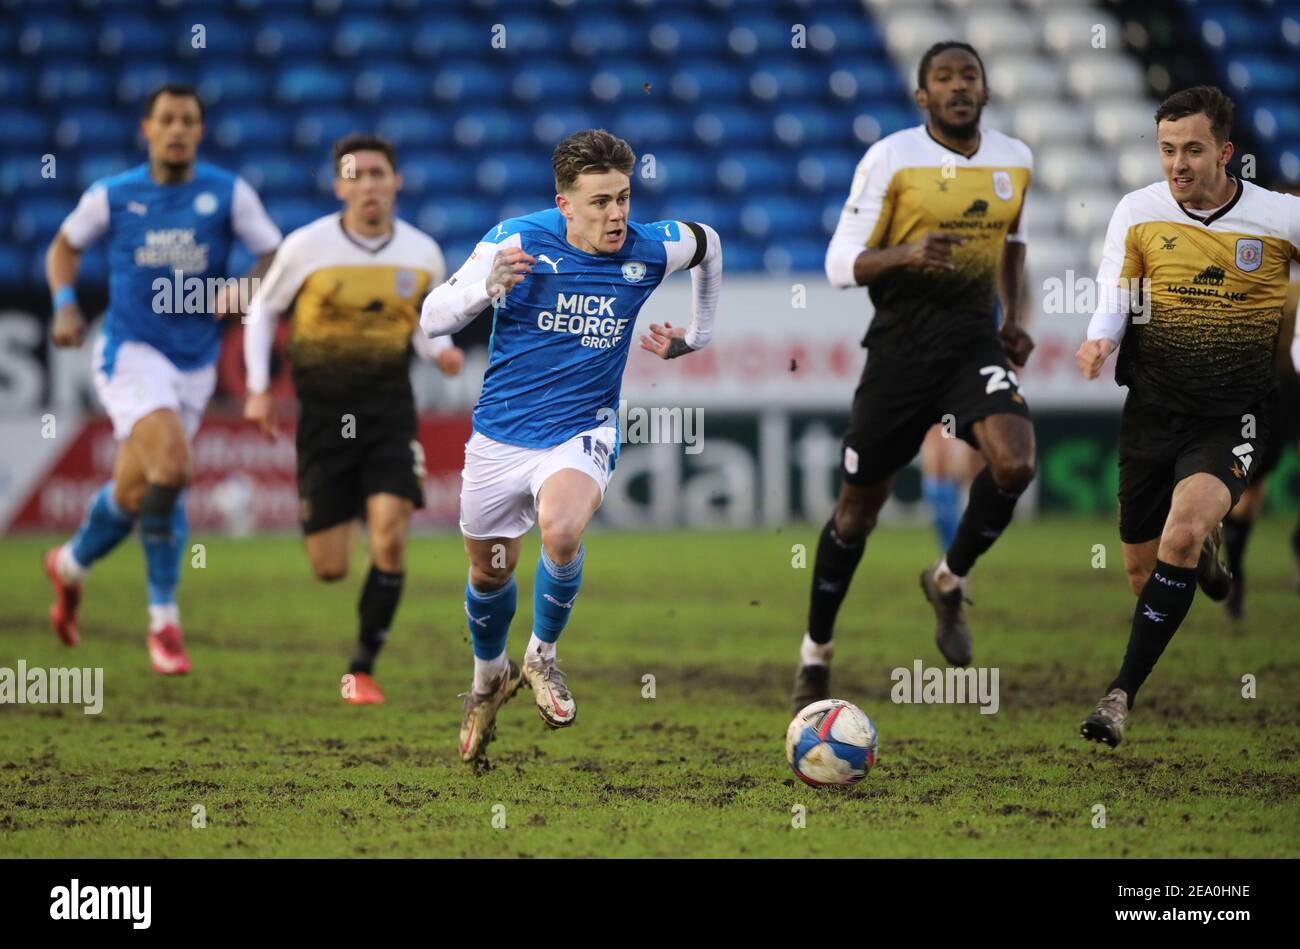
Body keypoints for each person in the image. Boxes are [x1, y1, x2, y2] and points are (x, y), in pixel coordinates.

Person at [420, 128, 722, 762]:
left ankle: (542, 657)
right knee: (488, 570)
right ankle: (488, 678)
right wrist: (485, 287)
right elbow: (432, 317)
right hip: (501, 435)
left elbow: (709, 243)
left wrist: (697, 334)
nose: (616, 215)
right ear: (564, 203)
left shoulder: (648, 248)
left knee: (561, 533)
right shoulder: (517, 240)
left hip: (581, 430)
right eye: (599, 203)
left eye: (623, 197)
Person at [792, 42, 1037, 714]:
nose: (959, 87)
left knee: (1015, 463)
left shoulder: (1015, 159)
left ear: (985, 92)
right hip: (899, 354)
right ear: (922, 96)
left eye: (969, 77)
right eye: (943, 78)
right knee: (855, 513)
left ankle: (948, 579)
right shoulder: (892, 159)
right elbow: (840, 263)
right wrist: (907, 252)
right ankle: (816, 653)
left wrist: (1012, 315)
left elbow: (1013, 242)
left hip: (971, 346)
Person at [1076, 86, 1300, 747]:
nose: (1178, 163)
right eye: (1168, 149)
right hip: (1152, 411)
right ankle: (1206, 558)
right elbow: (1115, 289)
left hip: (1234, 413)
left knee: (1180, 533)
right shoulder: (1137, 211)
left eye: (1193, 149)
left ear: (1225, 153)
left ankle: (1118, 697)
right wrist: (1101, 339)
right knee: (1144, 572)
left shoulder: (1279, 218)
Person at [43, 83, 280, 674]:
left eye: (188, 120)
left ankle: (70, 565)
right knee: (172, 467)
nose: (177, 129)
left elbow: (275, 254)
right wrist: (66, 303)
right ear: (147, 129)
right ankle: (164, 621)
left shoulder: (228, 193)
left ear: (200, 131)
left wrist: (247, 286)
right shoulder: (113, 195)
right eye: (166, 119)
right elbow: (63, 249)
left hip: (194, 367)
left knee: (135, 490)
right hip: (130, 353)